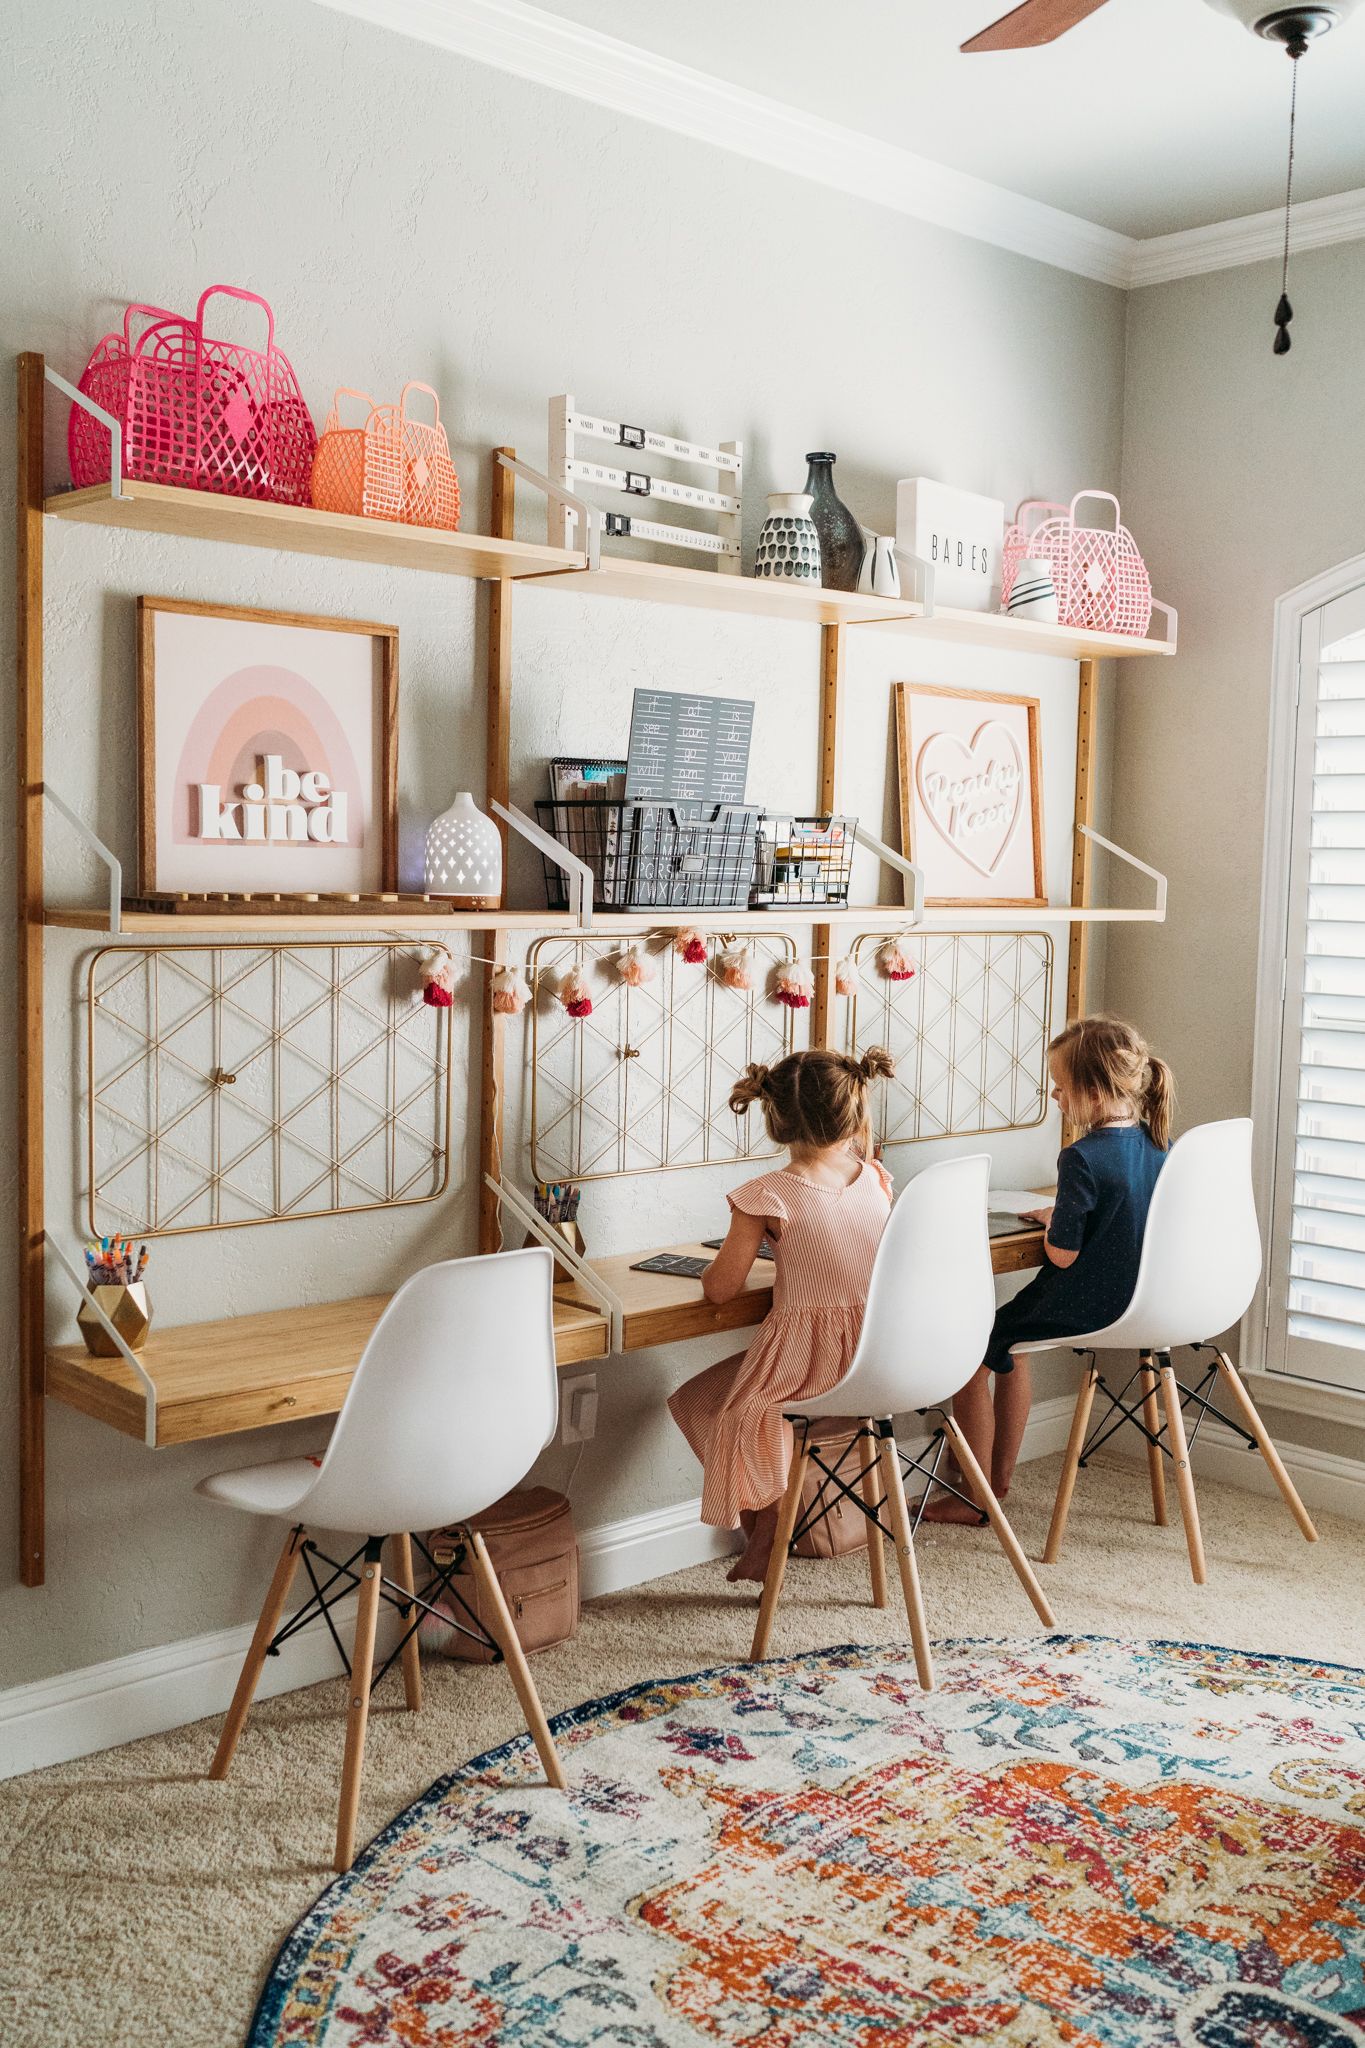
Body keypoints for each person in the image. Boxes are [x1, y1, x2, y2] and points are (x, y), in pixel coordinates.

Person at [926, 1013, 1174, 1526]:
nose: (1056, 1097)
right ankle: (998, 1480)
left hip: (1086, 1298)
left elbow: (1062, 1256)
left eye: (1061, 1088)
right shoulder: (1156, 1141)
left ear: (1093, 1090)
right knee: (1011, 1344)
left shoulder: (1080, 1156)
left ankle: (977, 1494)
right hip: (1141, 1296)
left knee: (975, 1349)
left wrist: (1056, 1225)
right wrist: (1064, 1213)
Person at [668, 1046, 896, 1584]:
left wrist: (717, 1267)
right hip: (875, 1361)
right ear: (852, 1110)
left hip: (811, 1370)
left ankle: (768, 1521)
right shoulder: (876, 1178)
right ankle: (772, 1515)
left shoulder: (767, 1195)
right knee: (711, 1400)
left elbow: (721, 1291)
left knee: (707, 1405)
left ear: (775, 1120)